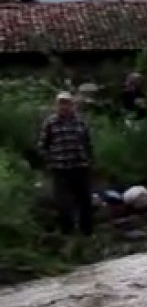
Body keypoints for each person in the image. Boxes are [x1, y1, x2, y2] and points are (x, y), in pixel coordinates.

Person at [38, 92, 94, 236]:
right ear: (56, 105)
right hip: (60, 168)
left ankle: (87, 232)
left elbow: (87, 143)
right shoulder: (50, 123)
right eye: (61, 103)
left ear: (72, 105)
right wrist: (49, 161)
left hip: (80, 167)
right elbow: (43, 145)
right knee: (63, 203)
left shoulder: (80, 122)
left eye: (67, 103)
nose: (64, 106)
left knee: (85, 201)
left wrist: (90, 160)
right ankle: (67, 234)